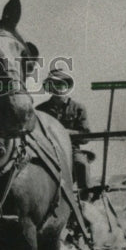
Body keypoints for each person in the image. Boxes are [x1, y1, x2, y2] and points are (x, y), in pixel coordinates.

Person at [36, 68, 92, 199]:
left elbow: (85, 137)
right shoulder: (40, 110)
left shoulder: (78, 108)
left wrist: (64, 133)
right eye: (56, 84)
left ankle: (86, 202)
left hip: (72, 149)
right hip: (47, 150)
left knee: (82, 164)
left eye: (63, 83)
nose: (60, 87)